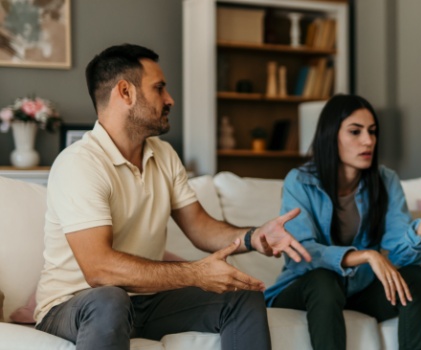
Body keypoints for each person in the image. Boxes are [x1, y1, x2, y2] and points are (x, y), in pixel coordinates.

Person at [34, 44, 311, 349]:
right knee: (110, 299)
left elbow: (200, 227)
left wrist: (254, 236)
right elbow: (100, 270)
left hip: (143, 302)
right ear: (125, 93)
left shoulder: (163, 155)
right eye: (159, 88)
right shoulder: (80, 163)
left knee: (241, 295)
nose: (170, 100)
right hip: (75, 306)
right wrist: (196, 274)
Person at [263, 94, 421, 350]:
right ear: (331, 136)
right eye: (355, 132)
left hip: (358, 290)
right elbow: (301, 253)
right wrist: (367, 256)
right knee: (324, 281)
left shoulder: (385, 180)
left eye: (372, 132)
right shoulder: (299, 181)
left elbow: (403, 254)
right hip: (307, 288)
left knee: (417, 277)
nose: (368, 141)